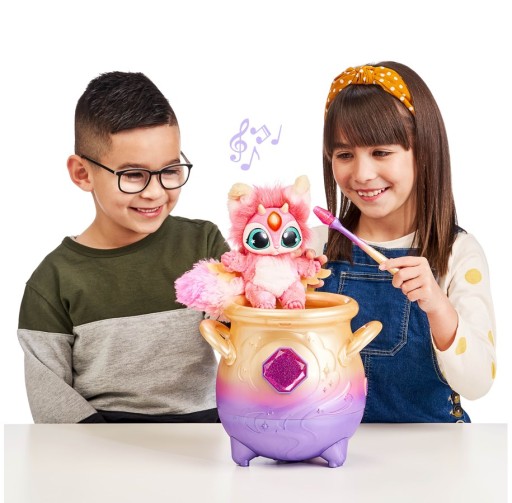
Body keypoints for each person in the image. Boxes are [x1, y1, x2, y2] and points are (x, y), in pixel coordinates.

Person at [17, 72, 230, 423]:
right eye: (133, 175)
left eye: (170, 170)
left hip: (204, 437)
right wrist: (107, 450)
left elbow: (247, 330)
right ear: (82, 173)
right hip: (100, 442)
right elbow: (50, 398)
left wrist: (281, 276)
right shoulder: (53, 280)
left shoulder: (203, 243)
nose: (155, 193)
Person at [316, 61, 496, 422]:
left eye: (381, 152)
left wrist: (438, 307)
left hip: (434, 448)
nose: (362, 174)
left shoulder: (458, 253)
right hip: (335, 445)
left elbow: (478, 382)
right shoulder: (315, 246)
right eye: (345, 155)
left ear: (424, 151)